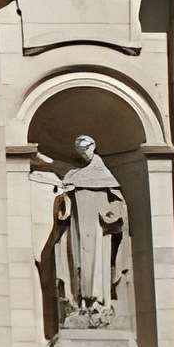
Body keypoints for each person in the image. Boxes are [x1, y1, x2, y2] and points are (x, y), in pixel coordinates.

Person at [52, 134, 129, 327]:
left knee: (98, 264)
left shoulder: (106, 175)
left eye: (85, 147)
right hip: (77, 228)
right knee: (76, 263)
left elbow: (119, 204)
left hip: (99, 229)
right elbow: (65, 206)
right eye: (80, 149)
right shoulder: (72, 175)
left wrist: (112, 213)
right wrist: (64, 201)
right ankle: (79, 303)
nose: (83, 152)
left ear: (93, 146)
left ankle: (98, 303)